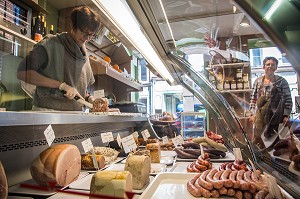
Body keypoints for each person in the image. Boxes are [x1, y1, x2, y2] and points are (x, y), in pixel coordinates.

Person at [17, 6, 101, 111]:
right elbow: (22, 72)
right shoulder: (51, 43)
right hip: (48, 113)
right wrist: (60, 85)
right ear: (73, 25)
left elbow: (77, 87)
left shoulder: (84, 55)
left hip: (74, 116)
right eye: (84, 32)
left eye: (91, 35)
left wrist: (89, 98)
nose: (87, 38)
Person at [249, 56, 292, 148]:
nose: (270, 66)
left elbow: (288, 99)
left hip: (276, 116)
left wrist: (286, 115)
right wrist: (252, 114)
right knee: (259, 141)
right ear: (263, 67)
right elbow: (253, 99)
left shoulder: (282, 81)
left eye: (273, 65)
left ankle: (273, 159)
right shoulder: (258, 82)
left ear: (276, 67)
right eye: (268, 64)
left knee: (275, 142)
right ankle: (260, 158)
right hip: (260, 117)